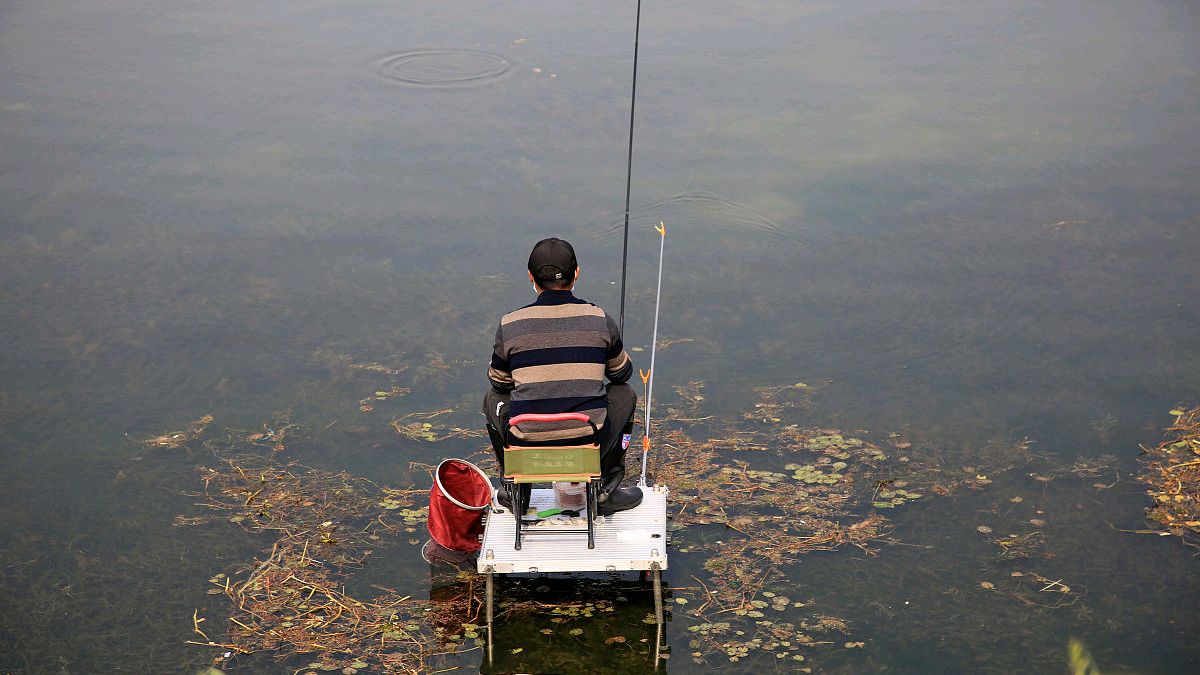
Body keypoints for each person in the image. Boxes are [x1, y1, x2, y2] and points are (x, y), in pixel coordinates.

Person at [482, 237, 642, 515]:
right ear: (576, 273)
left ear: (531, 277)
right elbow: (622, 374)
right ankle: (604, 488)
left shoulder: (510, 324)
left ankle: (515, 487)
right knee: (625, 394)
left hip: (526, 438)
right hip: (588, 438)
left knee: (492, 398)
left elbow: (499, 382)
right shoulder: (599, 318)